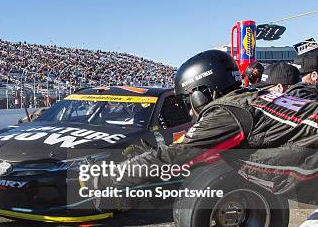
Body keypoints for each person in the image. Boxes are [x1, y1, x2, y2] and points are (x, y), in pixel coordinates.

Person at [110, 50, 317, 199]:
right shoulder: (254, 95)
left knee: (235, 159)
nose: (190, 110)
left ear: (201, 93)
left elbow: (175, 157)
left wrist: (105, 179)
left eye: (186, 100)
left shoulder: (228, 112)